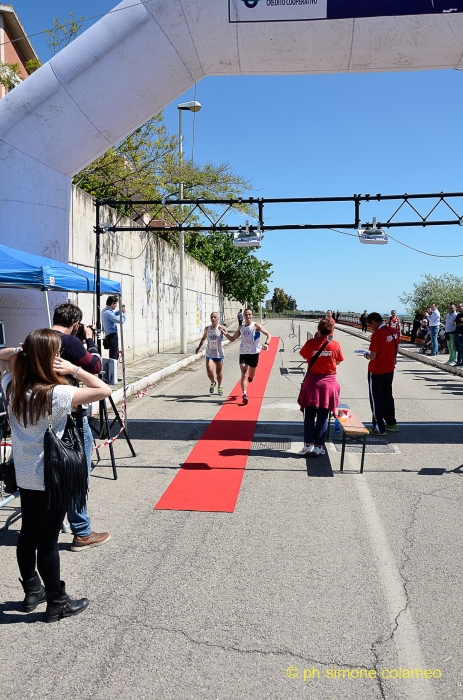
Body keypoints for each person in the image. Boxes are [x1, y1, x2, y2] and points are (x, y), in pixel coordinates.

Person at [0, 330, 110, 622]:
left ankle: (32, 590)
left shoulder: (10, 384)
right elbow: (103, 390)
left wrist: (21, 352)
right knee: (47, 540)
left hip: (24, 472)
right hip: (51, 476)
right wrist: (75, 369)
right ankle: (57, 601)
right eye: (56, 354)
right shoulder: (57, 393)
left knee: (28, 533)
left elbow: (4, 355)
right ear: (50, 359)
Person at [52, 302, 111, 552]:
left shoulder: (37, 339)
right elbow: (96, 367)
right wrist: (90, 340)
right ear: (75, 325)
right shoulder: (71, 342)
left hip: (45, 413)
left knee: (52, 476)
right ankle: (82, 532)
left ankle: (49, 526)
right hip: (72, 414)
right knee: (78, 475)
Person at [297, 318, 344, 456]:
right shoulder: (335, 344)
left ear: (318, 329)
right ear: (331, 331)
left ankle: (308, 445)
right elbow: (339, 361)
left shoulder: (310, 343)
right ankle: (319, 446)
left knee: (310, 414)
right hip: (328, 384)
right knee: (323, 415)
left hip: (312, 382)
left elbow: (305, 356)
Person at [220, 309, 271, 405]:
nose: (248, 316)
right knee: (244, 373)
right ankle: (244, 394)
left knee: (251, 375)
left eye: (249, 314)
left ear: (252, 316)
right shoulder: (241, 328)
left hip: (254, 353)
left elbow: (268, 334)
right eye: (246, 314)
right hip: (243, 353)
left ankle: (251, 377)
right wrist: (224, 332)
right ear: (243, 316)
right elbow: (232, 339)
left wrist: (266, 343)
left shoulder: (256, 326)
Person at [364, 312, 399, 435]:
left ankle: (379, 427)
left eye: (369, 325)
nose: (370, 328)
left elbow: (373, 356)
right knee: (388, 396)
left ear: (373, 322)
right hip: (389, 369)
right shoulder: (393, 331)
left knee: (376, 398)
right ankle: (391, 423)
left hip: (376, 370)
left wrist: (366, 355)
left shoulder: (377, 334)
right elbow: (396, 349)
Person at [195, 311, 225, 396]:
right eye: (211, 317)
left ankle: (219, 386)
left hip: (219, 353)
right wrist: (199, 347)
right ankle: (213, 382)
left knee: (218, 372)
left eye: (215, 317)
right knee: (209, 370)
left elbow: (227, 335)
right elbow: (204, 338)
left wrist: (223, 331)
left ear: (218, 318)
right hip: (210, 353)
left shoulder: (221, 328)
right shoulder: (207, 329)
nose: (213, 319)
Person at [102, 296, 126, 361]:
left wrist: (120, 310)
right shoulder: (108, 313)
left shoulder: (105, 310)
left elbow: (114, 314)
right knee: (114, 356)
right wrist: (124, 313)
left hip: (109, 335)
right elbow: (121, 321)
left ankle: (113, 369)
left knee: (115, 353)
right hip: (112, 336)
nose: (116, 306)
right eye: (115, 304)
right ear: (112, 303)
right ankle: (113, 370)